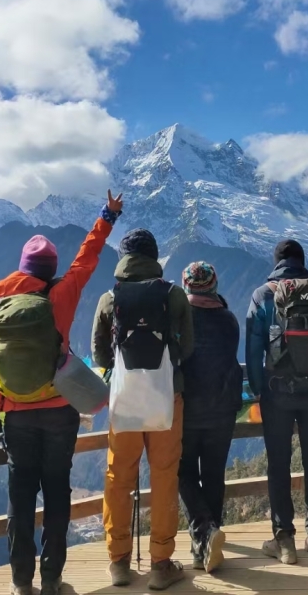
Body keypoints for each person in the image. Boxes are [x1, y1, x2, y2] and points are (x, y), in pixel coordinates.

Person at [0, 190, 123, 595]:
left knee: (20, 498)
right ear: (50, 270)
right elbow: (86, 260)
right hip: (59, 411)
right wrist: (106, 216)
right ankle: (53, 579)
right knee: (57, 492)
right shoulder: (61, 294)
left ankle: (22, 584)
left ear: (21, 268)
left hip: (16, 416)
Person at [92, 229, 194, 591]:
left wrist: (121, 370)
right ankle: (160, 564)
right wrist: (166, 366)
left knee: (119, 476)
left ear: (123, 258)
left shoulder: (109, 298)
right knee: (165, 475)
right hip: (168, 397)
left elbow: (100, 354)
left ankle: (119, 562)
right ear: (154, 258)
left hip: (126, 400)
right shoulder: (174, 294)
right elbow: (188, 346)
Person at [245, 239, 308, 564]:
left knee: (278, 466)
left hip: (277, 393)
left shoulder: (262, 295)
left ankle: (284, 540)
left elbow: (254, 350)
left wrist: (260, 390)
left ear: (275, 262)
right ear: (302, 261)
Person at [177, 261, 242, 573]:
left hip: (187, 410)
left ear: (186, 286)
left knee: (183, 472)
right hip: (222, 410)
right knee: (214, 476)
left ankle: (204, 530)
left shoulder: (180, 320)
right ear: (214, 285)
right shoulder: (228, 320)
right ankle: (205, 542)